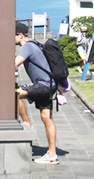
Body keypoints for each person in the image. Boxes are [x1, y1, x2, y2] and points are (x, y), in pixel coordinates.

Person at [13, 21, 60, 163]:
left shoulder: (27, 46)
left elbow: (14, 63)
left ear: (21, 35)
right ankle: (52, 154)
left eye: (12, 35)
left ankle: (27, 123)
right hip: (50, 84)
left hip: (43, 85)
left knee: (14, 93)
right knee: (47, 117)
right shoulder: (35, 44)